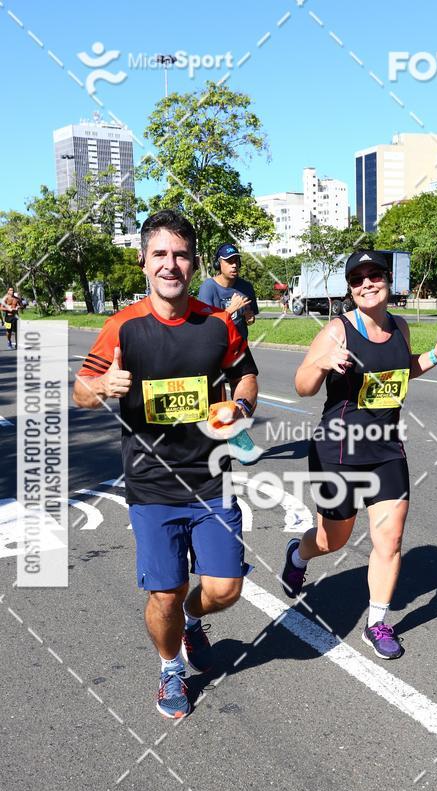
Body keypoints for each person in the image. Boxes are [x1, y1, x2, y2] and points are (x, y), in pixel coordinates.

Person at [73, 211, 259, 719]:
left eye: (179, 254)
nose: (170, 264)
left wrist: (241, 407)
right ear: (143, 262)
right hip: (152, 486)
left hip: (211, 481)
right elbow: (81, 388)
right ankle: (170, 669)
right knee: (166, 592)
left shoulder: (218, 325)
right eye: (160, 254)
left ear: (193, 262)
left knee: (224, 589)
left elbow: (245, 376)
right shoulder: (123, 326)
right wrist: (101, 387)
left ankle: (194, 622)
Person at [280, 249, 437, 660]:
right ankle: (298, 552)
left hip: (386, 447)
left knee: (390, 538)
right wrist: (322, 362)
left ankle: (377, 621)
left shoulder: (400, 327)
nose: (367, 284)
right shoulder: (338, 330)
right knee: (332, 539)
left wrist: (432, 358)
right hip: (338, 448)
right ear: (350, 289)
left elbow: (400, 368)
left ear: (388, 280)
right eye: (357, 279)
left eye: (374, 275)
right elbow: (302, 386)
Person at [198, 243, 259, 341]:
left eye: (236, 261)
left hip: (240, 347)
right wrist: (231, 309)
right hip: (217, 347)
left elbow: (250, 318)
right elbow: (206, 324)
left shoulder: (247, 287)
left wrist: (250, 320)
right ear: (218, 264)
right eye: (229, 261)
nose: (234, 265)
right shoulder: (208, 287)